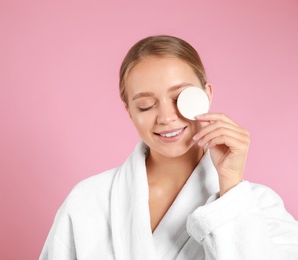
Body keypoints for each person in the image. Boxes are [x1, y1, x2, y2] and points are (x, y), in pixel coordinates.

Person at [39, 35, 298, 259]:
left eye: (179, 98)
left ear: (206, 94)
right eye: (146, 105)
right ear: (129, 110)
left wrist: (230, 184)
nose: (165, 116)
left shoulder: (257, 205)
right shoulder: (88, 201)